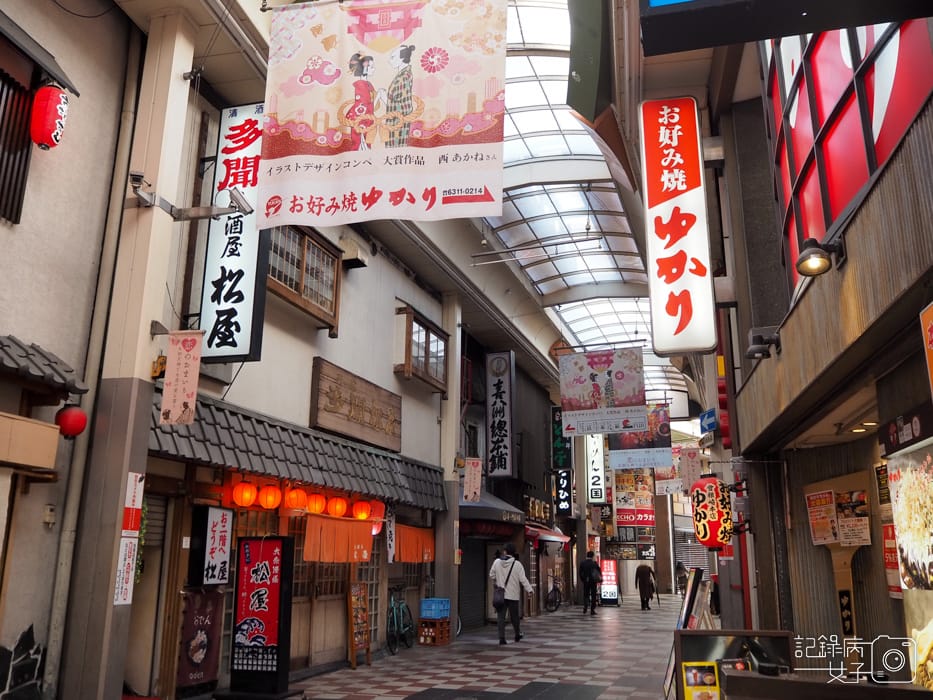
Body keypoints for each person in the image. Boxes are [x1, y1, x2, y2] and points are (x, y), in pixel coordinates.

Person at [488, 542, 533, 644]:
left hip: (501, 595)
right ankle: (517, 635)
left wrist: (498, 580)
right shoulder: (517, 564)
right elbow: (523, 579)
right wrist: (529, 590)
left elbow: (491, 575)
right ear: (513, 553)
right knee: (514, 617)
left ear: (505, 551)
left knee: (500, 618)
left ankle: (502, 639)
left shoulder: (497, 562)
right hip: (513, 596)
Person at [385, 44, 415, 147]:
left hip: (398, 121)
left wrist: (381, 95)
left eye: (393, 57)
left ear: (402, 59)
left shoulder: (403, 77)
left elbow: (392, 100)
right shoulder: (405, 74)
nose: (390, 60)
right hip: (398, 119)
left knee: (395, 147)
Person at [578, 551, 602, 615]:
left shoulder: (582, 563)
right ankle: (592, 610)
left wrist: (583, 580)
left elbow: (580, 573)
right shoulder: (594, 563)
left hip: (586, 581)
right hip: (593, 581)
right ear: (592, 556)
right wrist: (599, 579)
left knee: (586, 594)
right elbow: (599, 572)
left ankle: (585, 606)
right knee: (593, 595)